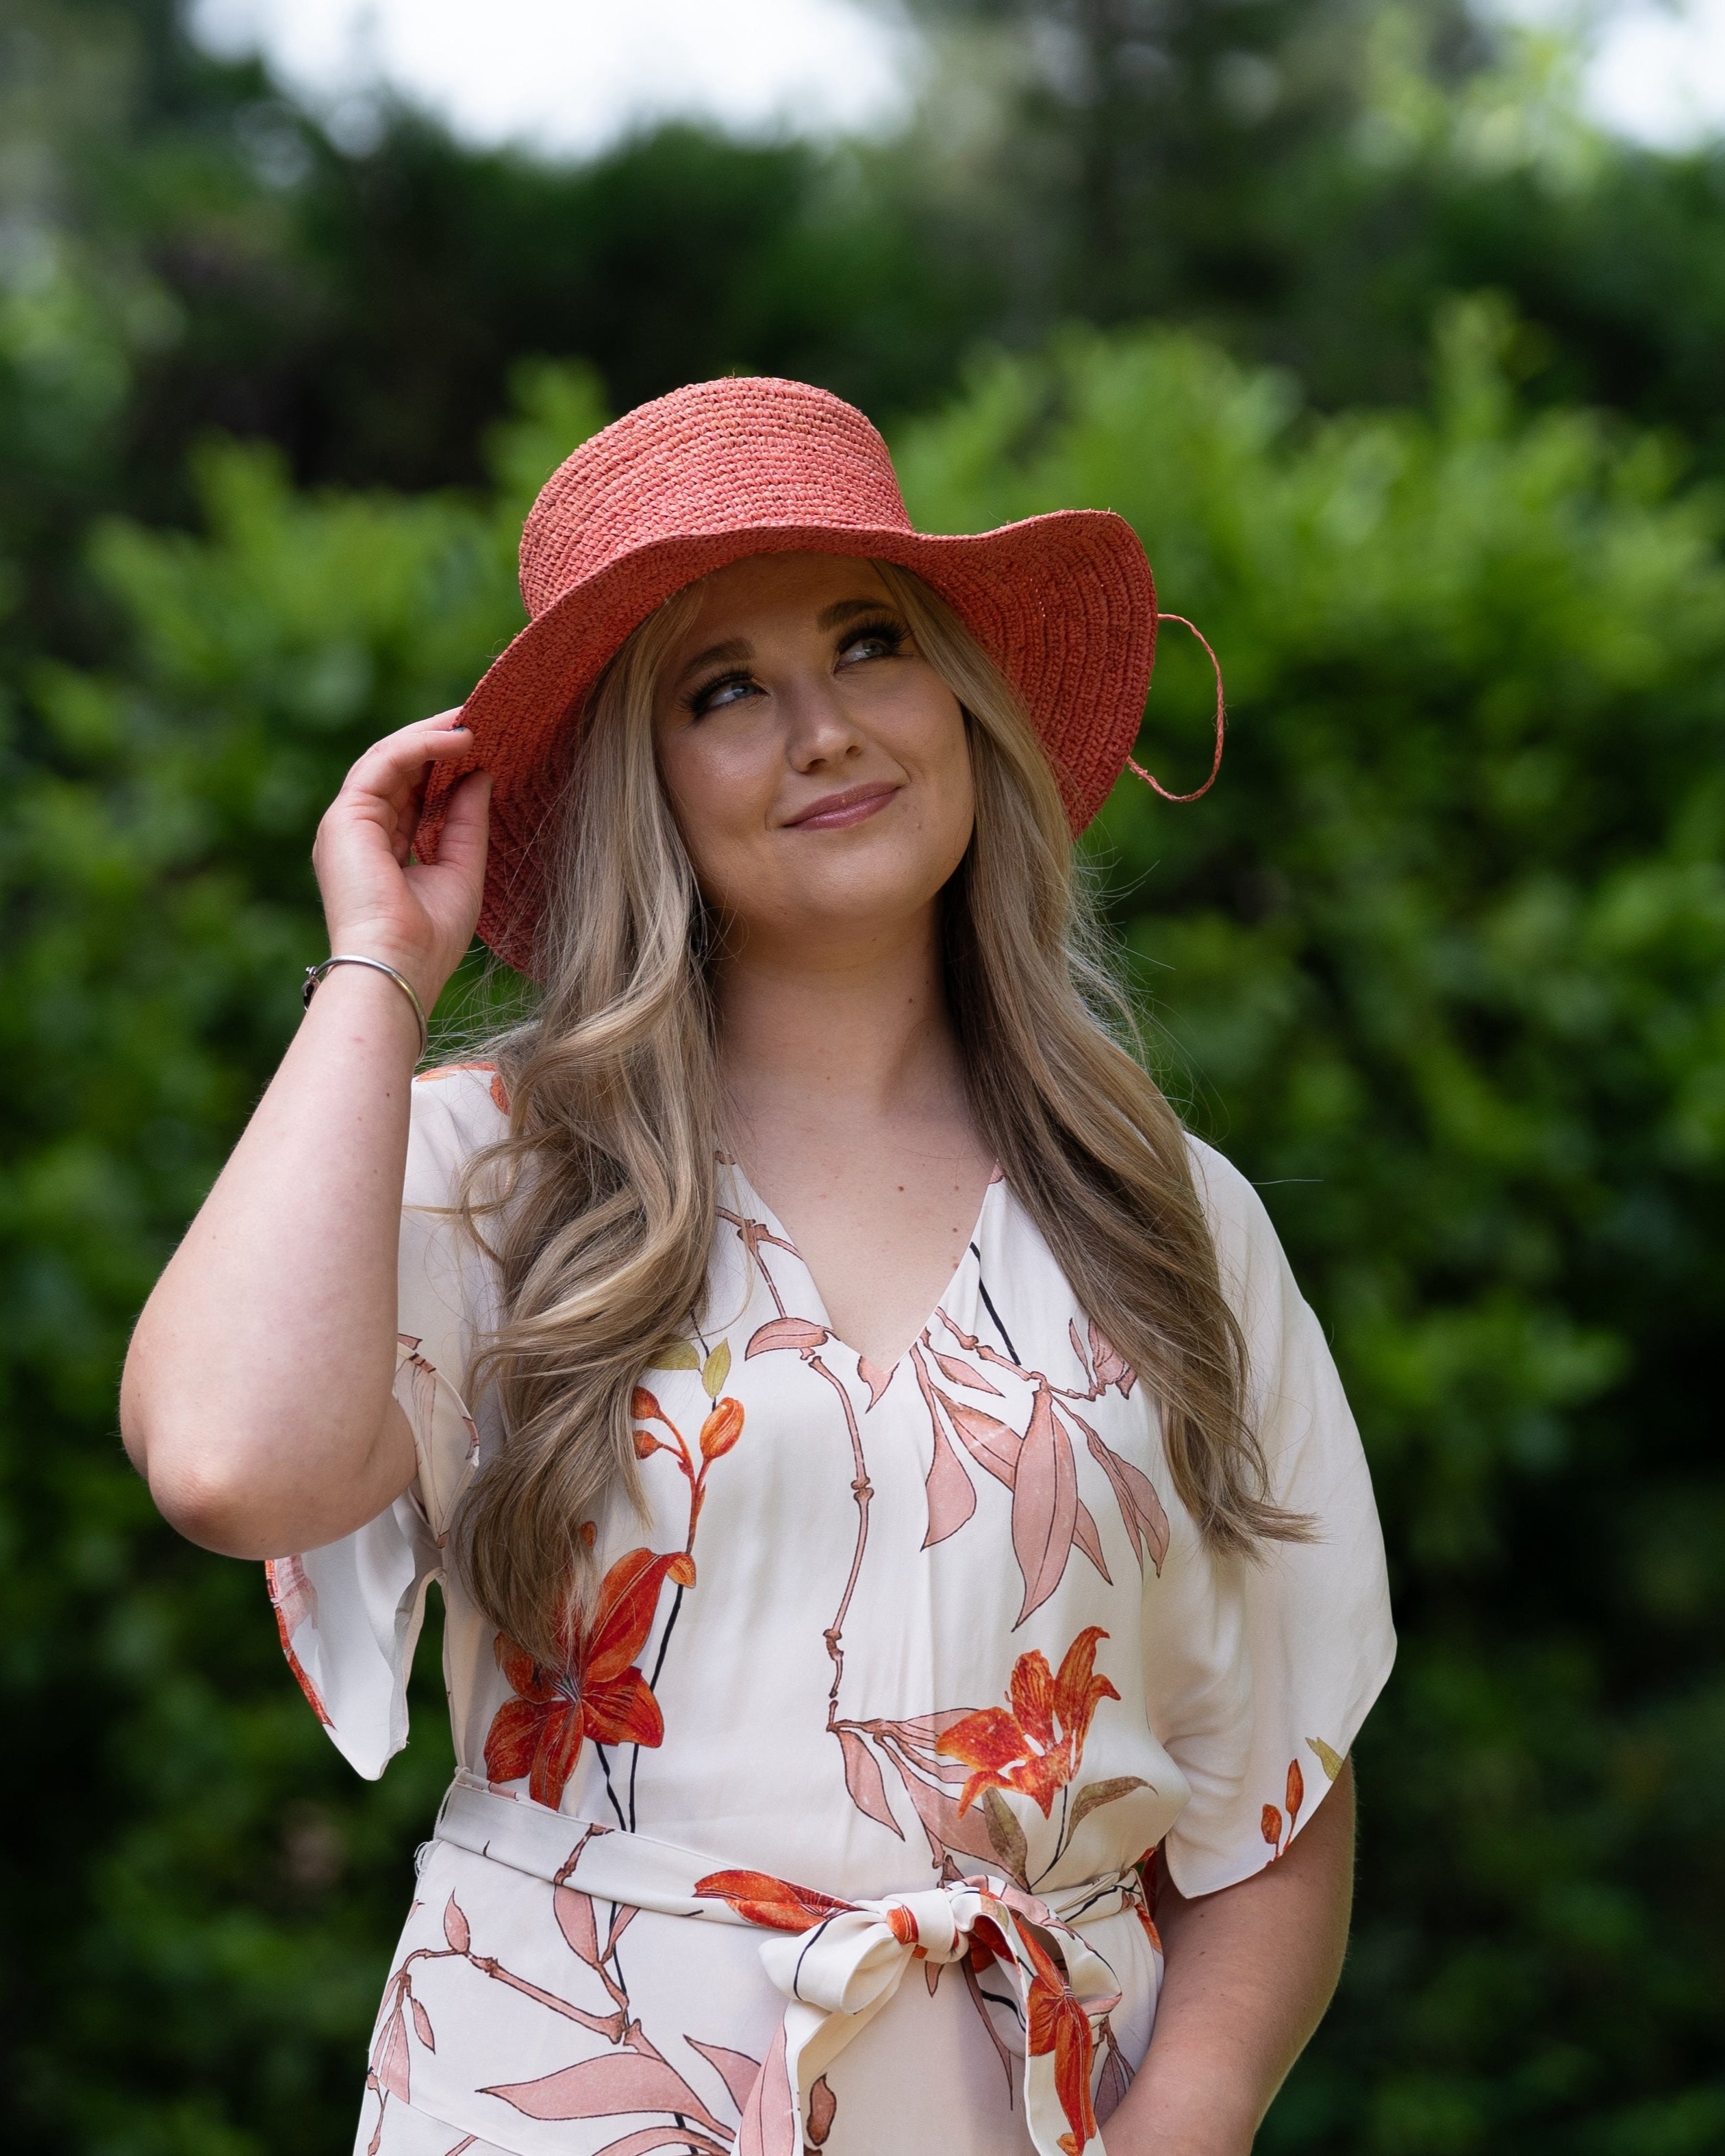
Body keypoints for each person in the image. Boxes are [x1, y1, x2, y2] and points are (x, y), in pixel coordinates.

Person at [121, 376, 1395, 2156]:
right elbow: (225, 1461)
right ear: (643, 785)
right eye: (724, 690)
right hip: (558, 2096)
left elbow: (1280, 1766)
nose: (823, 729)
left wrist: (1195, 2113)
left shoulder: (1163, 1211)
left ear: (960, 701)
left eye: (871, 644)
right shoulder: (498, 1171)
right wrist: (379, 970)